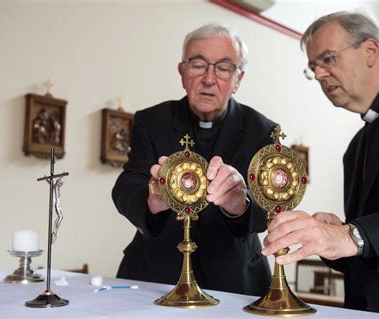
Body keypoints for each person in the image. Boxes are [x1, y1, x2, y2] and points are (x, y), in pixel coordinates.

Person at [261, 11, 379, 318]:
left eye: (328, 59)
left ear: (370, 51)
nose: (319, 75)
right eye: (313, 67)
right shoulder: (355, 148)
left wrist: (351, 235)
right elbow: (368, 252)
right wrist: (333, 237)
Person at [112, 23, 277, 296]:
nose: (209, 79)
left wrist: (240, 204)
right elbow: (127, 184)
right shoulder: (152, 121)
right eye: (198, 64)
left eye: (224, 68)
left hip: (235, 278)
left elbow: (270, 206)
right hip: (157, 273)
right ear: (182, 71)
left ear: (239, 79)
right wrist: (152, 199)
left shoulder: (261, 130)